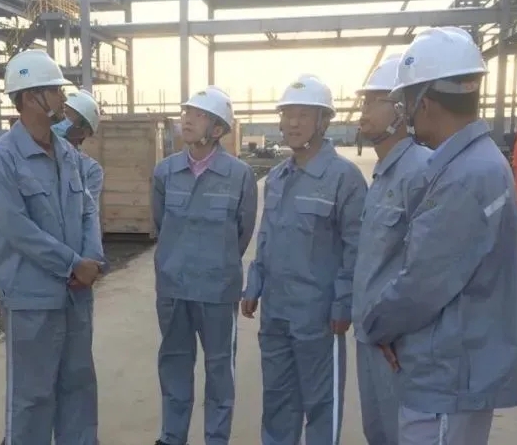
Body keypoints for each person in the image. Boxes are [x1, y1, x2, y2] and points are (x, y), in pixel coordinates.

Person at [357, 27, 517, 445]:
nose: (408, 115)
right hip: (453, 364)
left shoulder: (465, 177)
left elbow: (423, 282)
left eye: (407, 104)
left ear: (425, 103)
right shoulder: (475, 164)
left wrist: (377, 325)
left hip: (446, 375)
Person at [0, 49, 105, 445]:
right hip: (32, 298)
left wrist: (92, 259)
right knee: (32, 396)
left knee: (79, 387)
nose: (62, 99)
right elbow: (18, 229)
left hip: (76, 296)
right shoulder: (2, 160)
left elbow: (88, 209)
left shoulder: (68, 155)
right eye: (55, 91)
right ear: (31, 97)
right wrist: (72, 264)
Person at [241, 75, 367, 445]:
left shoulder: (344, 178)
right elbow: (267, 235)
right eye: (287, 114)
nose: (292, 123)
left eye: (303, 115)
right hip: (276, 311)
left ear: (324, 121)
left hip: (319, 316)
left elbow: (357, 247)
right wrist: (255, 282)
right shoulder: (278, 177)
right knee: (277, 399)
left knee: (321, 402)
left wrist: (344, 302)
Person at [151, 87, 259, 445]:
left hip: (217, 292)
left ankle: (216, 438)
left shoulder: (239, 175)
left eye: (198, 115)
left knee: (219, 370)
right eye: (187, 113)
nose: (187, 120)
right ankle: (172, 437)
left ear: (217, 129)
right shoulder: (166, 172)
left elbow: (243, 232)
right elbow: (160, 223)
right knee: (174, 366)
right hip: (173, 290)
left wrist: (218, 262)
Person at [352, 53, 433, 445]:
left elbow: (427, 267)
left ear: (401, 110)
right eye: (364, 101)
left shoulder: (421, 171)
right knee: (379, 432)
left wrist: (396, 326)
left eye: (374, 101)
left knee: (402, 432)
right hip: (372, 331)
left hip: (398, 341)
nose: (364, 110)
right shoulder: (384, 174)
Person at [53, 89, 105, 205]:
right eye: (61, 112)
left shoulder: (91, 170)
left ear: (83, 131)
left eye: (67, 115)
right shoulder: (36, 155)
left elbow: (87, 210)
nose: (61, 119)